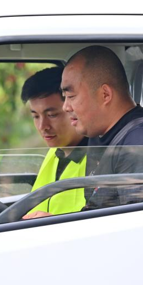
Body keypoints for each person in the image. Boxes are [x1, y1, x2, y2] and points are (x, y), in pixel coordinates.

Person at [60, 45, 143, 209]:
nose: (65, 107)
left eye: (71, 96)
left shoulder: (141, 146)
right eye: (64, 97)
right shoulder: (98, 134)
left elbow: (142, 230)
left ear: (105, 94)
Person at [20, 67, 88, 219]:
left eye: (51, 115)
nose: (42, 126)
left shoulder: (98, 158)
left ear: (72, 107)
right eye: (35, 116)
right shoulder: (54, 152)